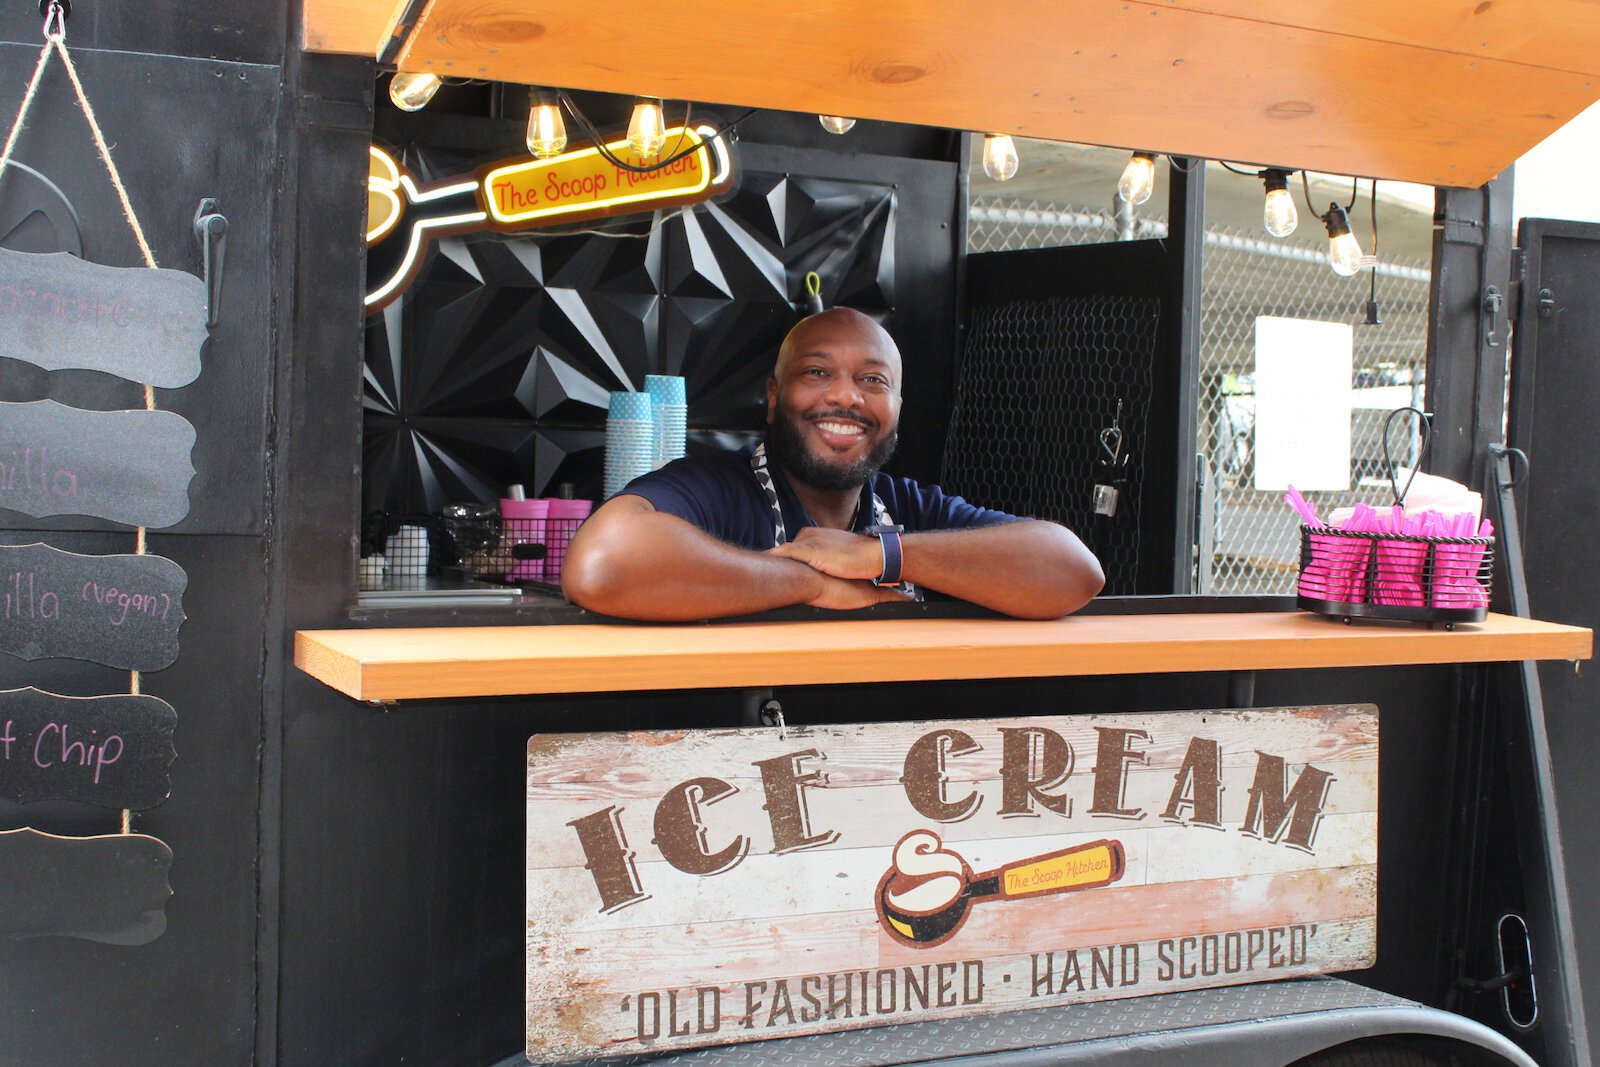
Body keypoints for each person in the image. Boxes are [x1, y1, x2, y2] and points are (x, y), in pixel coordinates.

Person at [562, 308, 1104, 621]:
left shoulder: (910, 508)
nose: (846, 398)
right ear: (774, 397)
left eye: (873, 380)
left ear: (895, 409)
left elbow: (1073, 572)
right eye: (817, 373)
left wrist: (879, 555)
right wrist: (808, 582)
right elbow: (603, 564)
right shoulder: (711, 488)